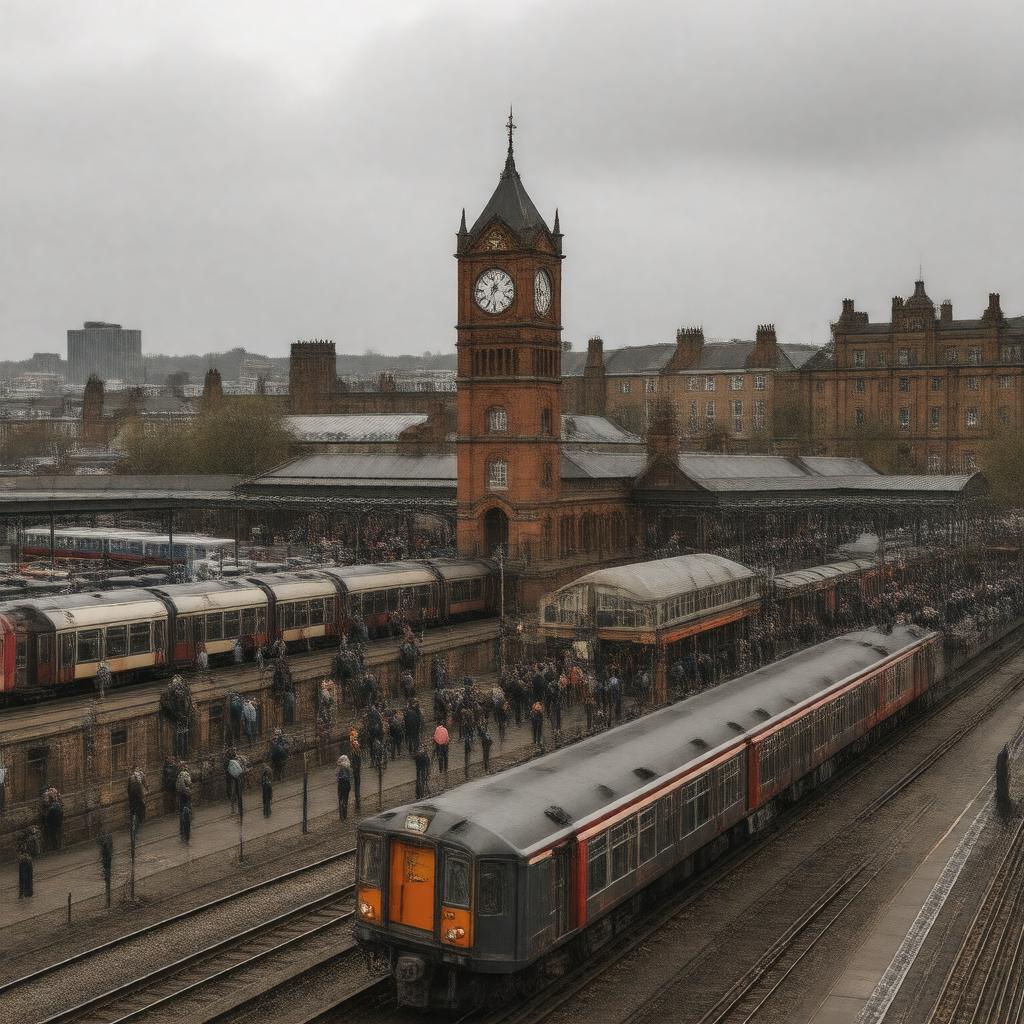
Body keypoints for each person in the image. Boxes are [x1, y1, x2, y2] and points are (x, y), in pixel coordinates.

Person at [337, 755, 352, 820]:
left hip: (342, 786)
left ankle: (342, 816)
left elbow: (342, 777)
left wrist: (339, 777)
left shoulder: (342, 768)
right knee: (345, 800)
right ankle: (344, 815)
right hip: (346, 786)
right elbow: (349, 777)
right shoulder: (348, 768)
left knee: (341, 801)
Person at [350, 741, 362, 812]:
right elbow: (353, 763)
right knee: (357, 785)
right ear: (354, 746)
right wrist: (355, 770)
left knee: (358, 784)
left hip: (358, 771)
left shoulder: (358, 751)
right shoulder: (353, 753)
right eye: (356, 745)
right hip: (355, 771)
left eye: (358, 745)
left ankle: (358, 797)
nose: (358, 746)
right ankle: (357, 798)